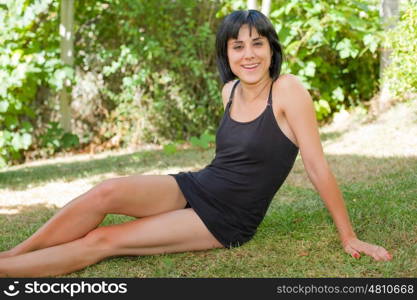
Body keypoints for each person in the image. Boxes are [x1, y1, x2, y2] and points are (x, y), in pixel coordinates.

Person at [0, 10, 392, 278]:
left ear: (271, 48)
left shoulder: (288, 91)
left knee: (104, 240)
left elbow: (317, 166)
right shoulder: (229, 90)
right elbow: (231, 160)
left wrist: (348, 236)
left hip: (227, 218)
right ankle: (15, 254)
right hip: (199, 185)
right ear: (226, 53)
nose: (248, 54)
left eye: (257, 43)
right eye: (237, 46)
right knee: (107, 191)